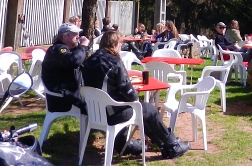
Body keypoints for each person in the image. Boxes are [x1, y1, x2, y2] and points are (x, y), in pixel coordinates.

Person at [81, 30, 189, 159]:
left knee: (143, 111)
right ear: (115, 43)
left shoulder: (89, 60)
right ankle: (172, 145)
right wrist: (132, 89)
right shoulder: (115, 62)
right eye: (121, 44)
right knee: (148, 109)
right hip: (112, 114)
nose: (121, 47)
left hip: (94, 113)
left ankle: (155, 145)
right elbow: (132, 96)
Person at [41, 22, 91, 113]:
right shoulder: (57, 49)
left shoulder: (69, 50)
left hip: (68, 94)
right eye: (75, 34)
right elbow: (73, 61)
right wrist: (83, 47)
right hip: (61, 99)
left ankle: (93, 126)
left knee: (97, 102)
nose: (78, 36)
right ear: (64, 37)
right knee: (96, 107)